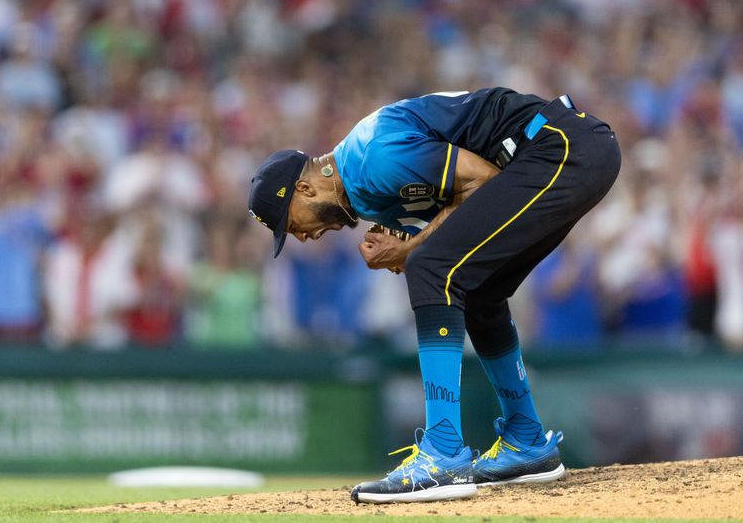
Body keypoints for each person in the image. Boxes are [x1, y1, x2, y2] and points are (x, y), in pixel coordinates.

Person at [248, 88, 621, 503]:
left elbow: (482, 180)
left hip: (562, 148)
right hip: (560, 153)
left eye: (289, 223)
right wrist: (414, 244)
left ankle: (443, 451)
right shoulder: (363, 189)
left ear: (305, 188)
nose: (300, 236)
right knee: (475, 286)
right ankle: (526, 439)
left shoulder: (374, 158)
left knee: (432, 267)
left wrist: (413, 249)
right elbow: (461, 215)